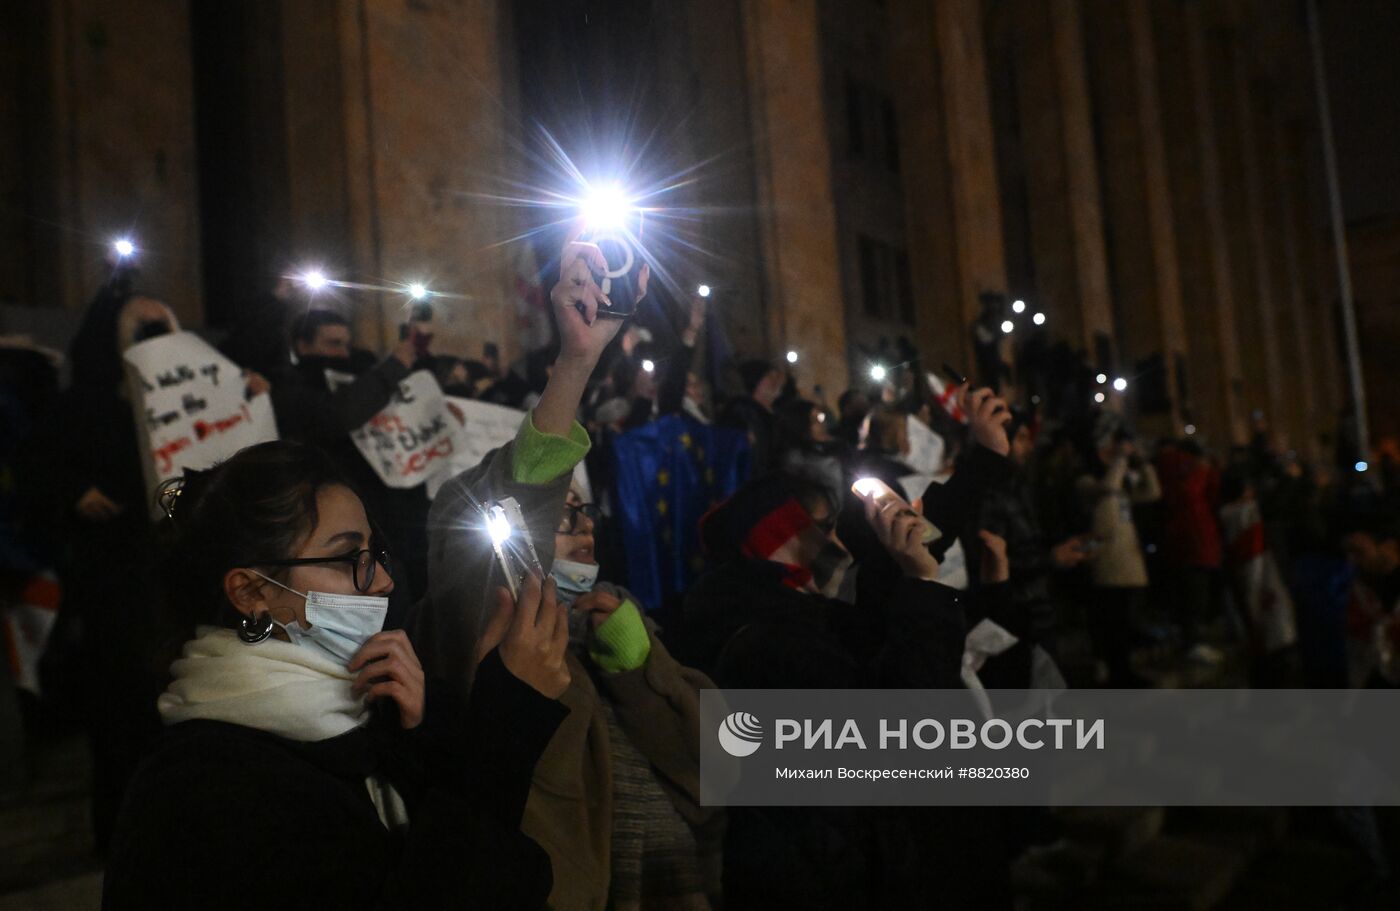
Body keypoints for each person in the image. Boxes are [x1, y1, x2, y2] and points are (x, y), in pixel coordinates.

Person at [103, 440, 569, 909]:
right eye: (349, 559)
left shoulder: (371, 707)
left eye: (375, 552)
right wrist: (506, 727)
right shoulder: (204, 789)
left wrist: (431, 730)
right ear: (249, 592)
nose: (383, 581)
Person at [416, 229, 721, 910]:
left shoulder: (620, 627)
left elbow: (723, 777)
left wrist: (644, 672)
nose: (581, 528)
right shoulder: (481, 634)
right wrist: (574, 366)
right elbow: (521, 494)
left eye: (584, 514)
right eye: (562, 514)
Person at [20, 289, 267, 853]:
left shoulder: (197, 398)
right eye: (143, 331)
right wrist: (73, 492)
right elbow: (35, 470)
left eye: (165, 330)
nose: (156, 340)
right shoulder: (81, 406)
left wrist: (250, 402)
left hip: (183, 580)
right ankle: (124, 837)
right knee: (121, 716)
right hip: (116, 585)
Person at [270, 308, 434, 602]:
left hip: (392, 520)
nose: (343, 353)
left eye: (346, 344)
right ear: (303, 346)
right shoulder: (292, 388)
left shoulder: (362, 376)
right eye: (332, 344)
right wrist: (393, 367)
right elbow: (337, 415)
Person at [1076, 430, 1161, 686]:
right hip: (1108, 564)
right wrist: (1121, 460)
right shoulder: (1087, 483)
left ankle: (1125, 671)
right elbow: (1109, 489)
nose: (1111, 455)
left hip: (1128, 562)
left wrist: (1142, 461)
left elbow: (1153, 492)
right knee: (1113, 624)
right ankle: (1117, 674)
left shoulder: (1118, 481)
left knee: (1126, 622)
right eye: (1106, 451)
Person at [718, 359, 783, 476]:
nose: (776, 382)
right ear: (757, 382)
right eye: (770, 377)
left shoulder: (777, 415)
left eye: (776, 377)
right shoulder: (740, 412)